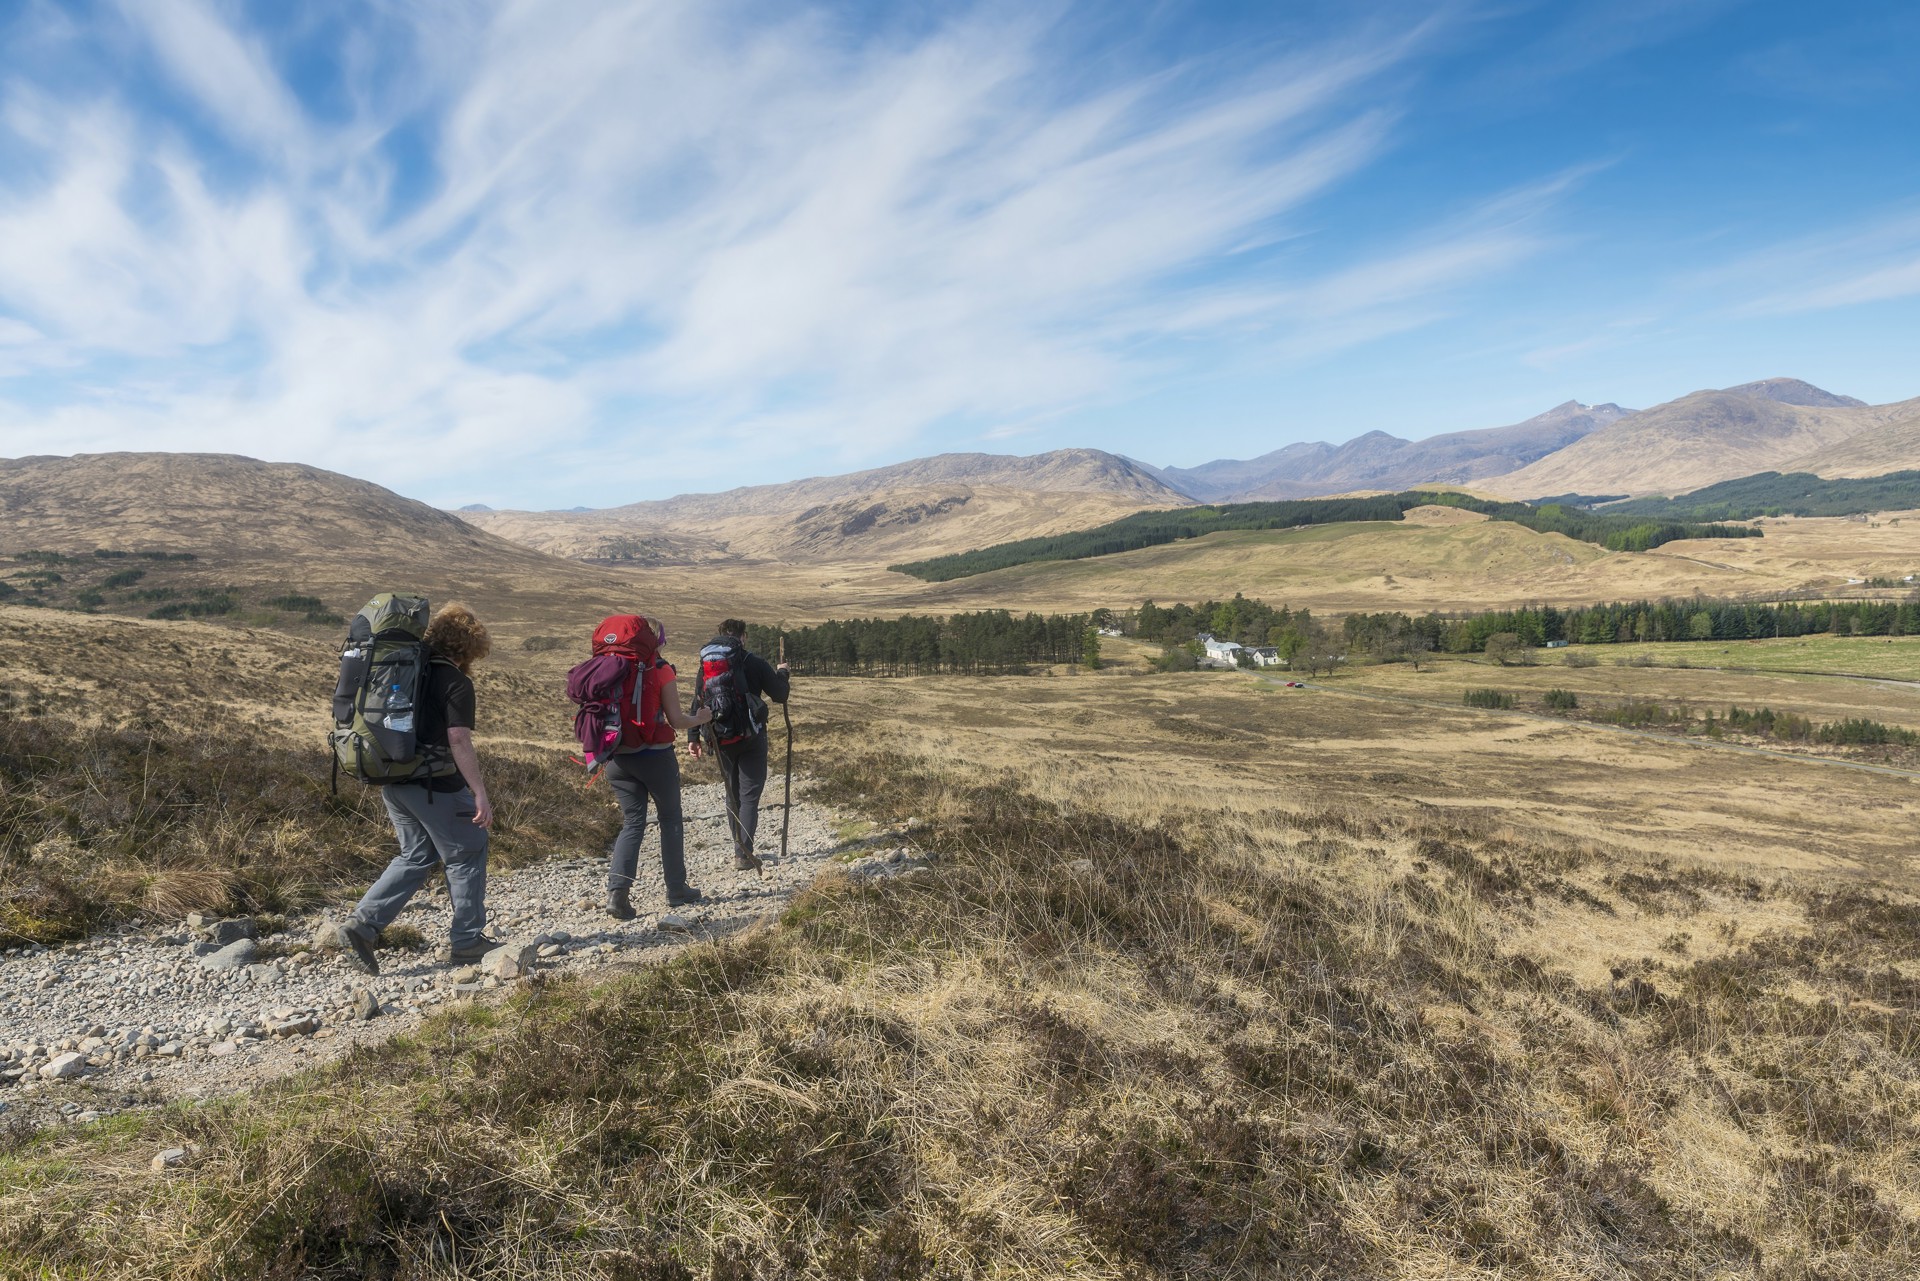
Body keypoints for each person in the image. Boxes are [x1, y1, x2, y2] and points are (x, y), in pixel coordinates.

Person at [341, 603, 495, 976]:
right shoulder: (455, 681)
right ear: (469, 646)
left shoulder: (405, 671)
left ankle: (363, 926)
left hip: (394, 780)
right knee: (467, 849)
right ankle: (467, 940)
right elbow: (457, 739)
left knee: (417, 854)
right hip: (434, 785)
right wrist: (479, 791)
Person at [602, 622, 713, 920]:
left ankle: (618, 894)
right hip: (654, 757)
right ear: (658, 641)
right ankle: (676, 889)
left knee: (632, 822)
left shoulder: (609, 667)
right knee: (670, 818)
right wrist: (700, 717)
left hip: (616, 759)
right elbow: (676, 720)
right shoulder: (661, 669)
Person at [690, 619, 790, 872]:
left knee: (732, 795)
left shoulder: (707, 666)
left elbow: (698, 701)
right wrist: (783, 672)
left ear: (721, 636)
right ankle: (743, 853)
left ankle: (739, 847)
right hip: (752, 738)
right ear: (743, 637)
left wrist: (693, 737)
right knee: (749, 797)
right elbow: (780, 694)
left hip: (720, 738)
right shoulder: (753, 662)